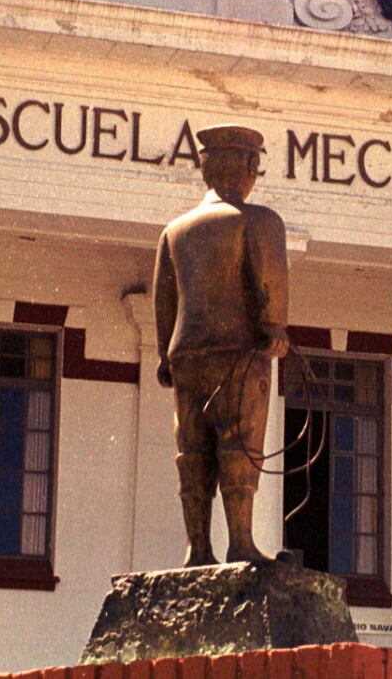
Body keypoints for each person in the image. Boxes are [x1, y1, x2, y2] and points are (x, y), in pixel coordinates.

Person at [153, 124, 289, 565]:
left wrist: (163, 356)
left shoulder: (175, 230)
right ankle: (241, 543)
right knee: (238, 443)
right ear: (249, 166)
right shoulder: (259, 222)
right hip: (239, 354)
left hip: (186, 356)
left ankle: (198, 548)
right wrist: (275, 330)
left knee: (192, 452)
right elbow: (270, 284)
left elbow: (163, 300)